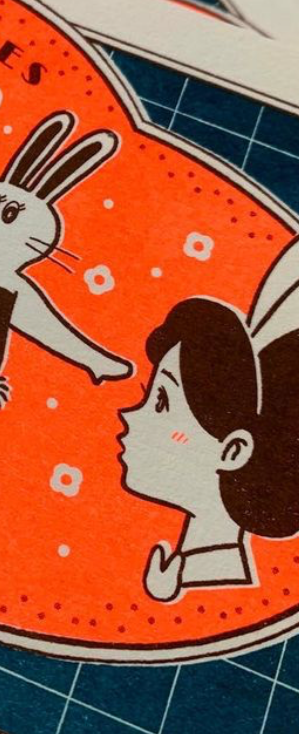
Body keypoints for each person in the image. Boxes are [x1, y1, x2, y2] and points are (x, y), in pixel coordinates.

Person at [119, 239, 299, 601]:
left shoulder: (217, 589)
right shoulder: (181, 572)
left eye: (161, 402)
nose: (128, 415)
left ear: (232, 451)